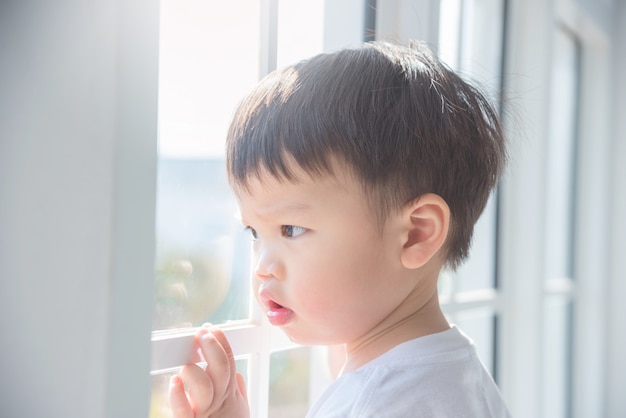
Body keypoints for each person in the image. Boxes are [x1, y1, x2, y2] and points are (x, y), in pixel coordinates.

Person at [168, 41, 511, 418]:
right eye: (253, 232)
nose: (262, 267)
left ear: (416, 234)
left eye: (291, 229)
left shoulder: (376, 403)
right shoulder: (454, 376)